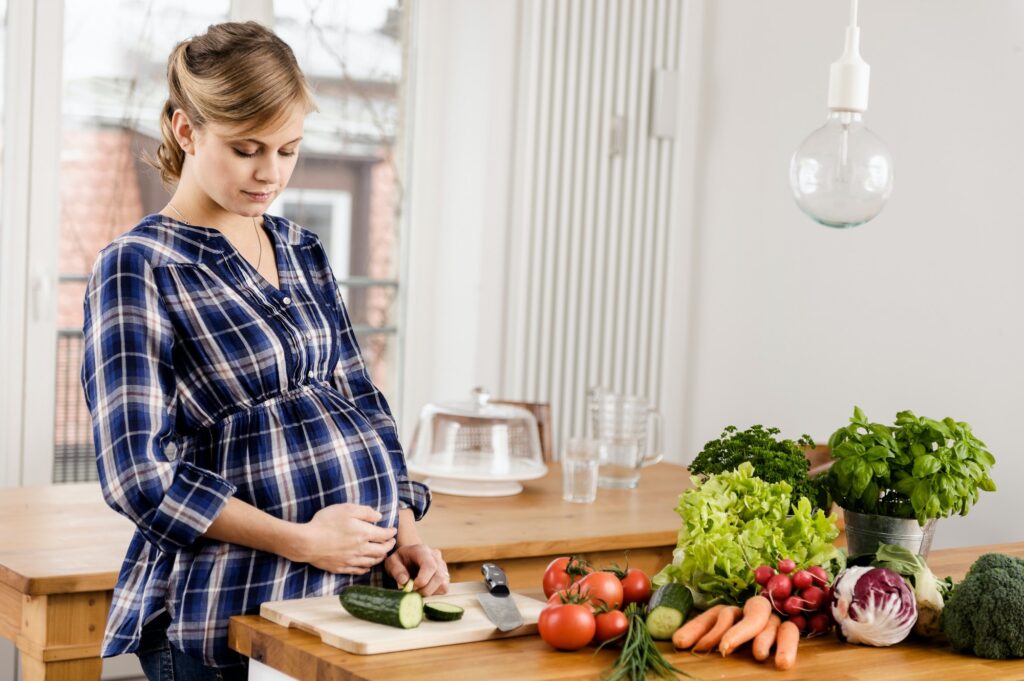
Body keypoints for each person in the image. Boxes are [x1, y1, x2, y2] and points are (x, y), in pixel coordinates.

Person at [80, 21, 447, 680]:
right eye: (247, 148)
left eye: (288, 149)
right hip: (226, 609)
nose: (269, 172)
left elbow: (363, 403)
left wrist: (406, 536)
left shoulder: (301, 250)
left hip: (345, 602)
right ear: (186, 131)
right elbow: (137, 475)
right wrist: (303, 540)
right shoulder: (138, 266)